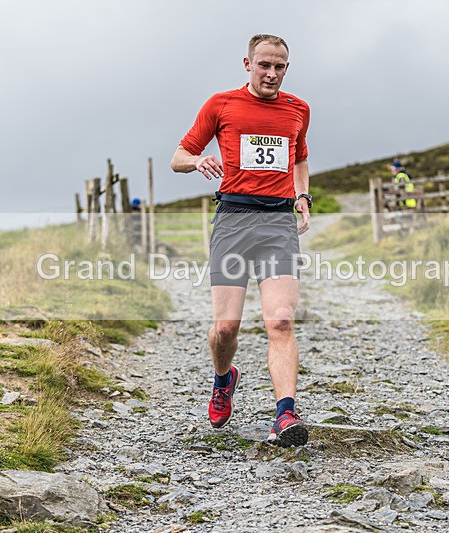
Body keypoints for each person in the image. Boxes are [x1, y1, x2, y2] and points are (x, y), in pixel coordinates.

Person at [170, 34, 311, 447]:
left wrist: (302, 196)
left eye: (279, 67)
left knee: (281, 320)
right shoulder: (221, 104)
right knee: (226, 328)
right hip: (232, 220)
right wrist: (199, 160)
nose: (271, 74)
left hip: (278, 223)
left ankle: (285, 414)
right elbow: (178, 157)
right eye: (264, 65)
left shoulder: (298, 109)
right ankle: (223, 378)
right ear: (247, 64)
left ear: (287, 67)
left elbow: (300, 157)